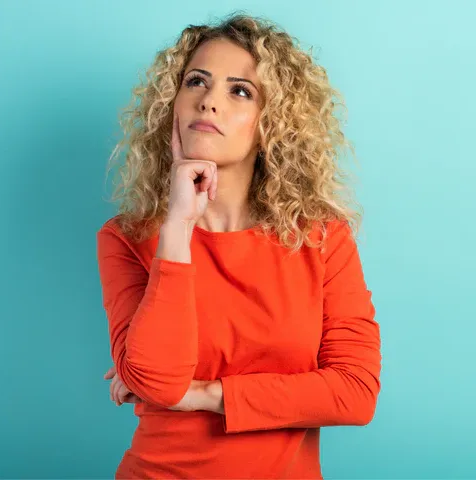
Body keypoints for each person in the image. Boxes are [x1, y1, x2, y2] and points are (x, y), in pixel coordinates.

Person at [96, 12, 381, 479]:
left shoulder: (322, 238)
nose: (209, 102)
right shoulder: (128, 239)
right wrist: (177, 226)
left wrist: (205, 394)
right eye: (196, 82)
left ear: (272, 125)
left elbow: (355, 392)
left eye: (240, 91)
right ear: (173, 104)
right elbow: (157, 380)